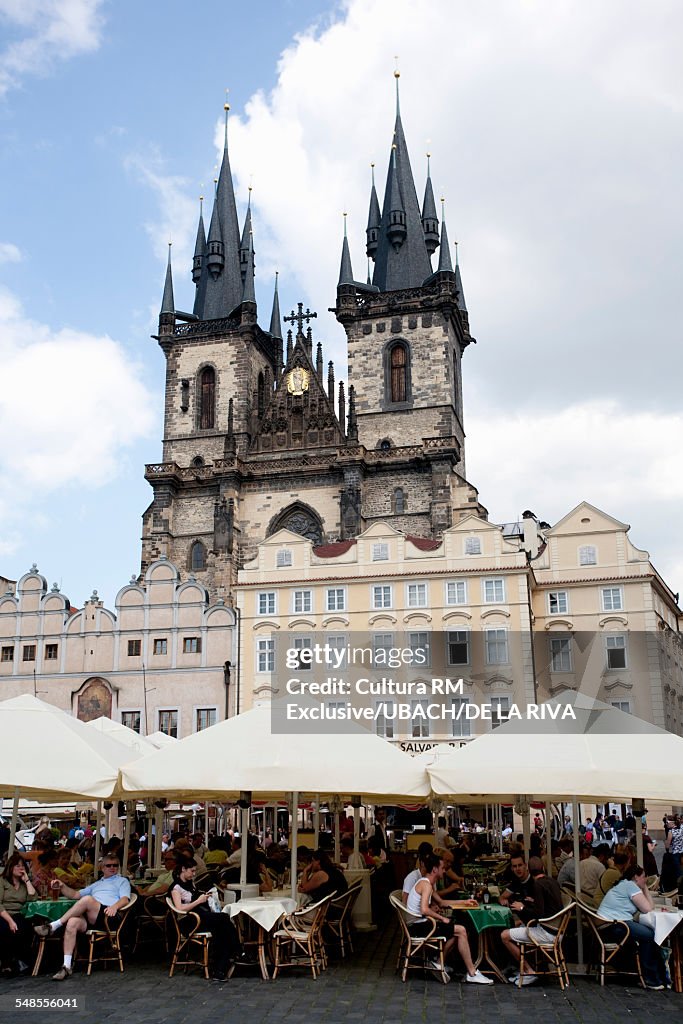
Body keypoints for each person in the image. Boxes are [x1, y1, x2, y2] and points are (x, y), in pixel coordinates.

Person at [33, 854, 132, 981]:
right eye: (109, 865)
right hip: (93, 917)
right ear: (102, 867)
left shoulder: (122, 881)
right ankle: (66, 966)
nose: (112, 868)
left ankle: (54, 925)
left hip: (109, 916)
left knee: (87, 900)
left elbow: (125, 899)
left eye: (115, 865)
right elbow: (75, 894)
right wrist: (62, 885)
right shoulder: (97, 884)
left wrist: (115, 907)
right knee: (72, 922)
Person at [406, 852, 492, 984]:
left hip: (418, 925)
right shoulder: (427, 885)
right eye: (442, 868)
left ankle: (439, 962)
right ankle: (472, 973)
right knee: (461, 930)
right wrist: (442, 918)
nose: (445, 871)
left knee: (456, 930)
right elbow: (424, 909)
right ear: (435, 869)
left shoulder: (426, 882)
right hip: (419, 927)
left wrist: (464, 902)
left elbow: (441, 902)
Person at [596, 864, 666, 990]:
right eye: (644, 877)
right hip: (614, 925)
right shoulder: (630, 886)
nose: (646, 880)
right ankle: (652, 978)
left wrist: (644, 888)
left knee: (647, 935)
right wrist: (645, 889)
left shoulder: (625, 885)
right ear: (636, 877)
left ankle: (653, 977)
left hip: (608, 924)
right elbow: (648, 908)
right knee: (650, 935)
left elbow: (648, 908)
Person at [170, 858, 239, 982]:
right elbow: (179, 908)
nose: (194, 874)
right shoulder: (176, 888)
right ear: (183, 870)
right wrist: (198, 901)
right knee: (223, 919)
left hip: (199, 917)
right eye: (192, 871)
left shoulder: (191, 884)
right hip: (188, 921)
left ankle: (220, 967)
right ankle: (237, 951)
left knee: (221, 930)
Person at [501, 856, 564, 985]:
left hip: (547, 933)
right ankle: (523, 969)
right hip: (558, 931)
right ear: (543, 868)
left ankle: (528, 971)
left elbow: (537, 915)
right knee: (519, 927)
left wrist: (522, 907)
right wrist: (534, 902)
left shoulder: (538, 885)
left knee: (505, 935)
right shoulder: (552, 882)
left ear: (528, 868)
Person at [0, 854, 37, 975]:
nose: (21, 868)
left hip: (18, 914)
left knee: (25, 927)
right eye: (18, 866)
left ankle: (20, 961)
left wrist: (26, 880)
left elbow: (33, 898)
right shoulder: (2, 881)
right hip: (4, 913)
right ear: (10, 867)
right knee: (6, 928)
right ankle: (7, 963)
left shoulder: (23, 885)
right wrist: (10, 921)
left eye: (23, 866)